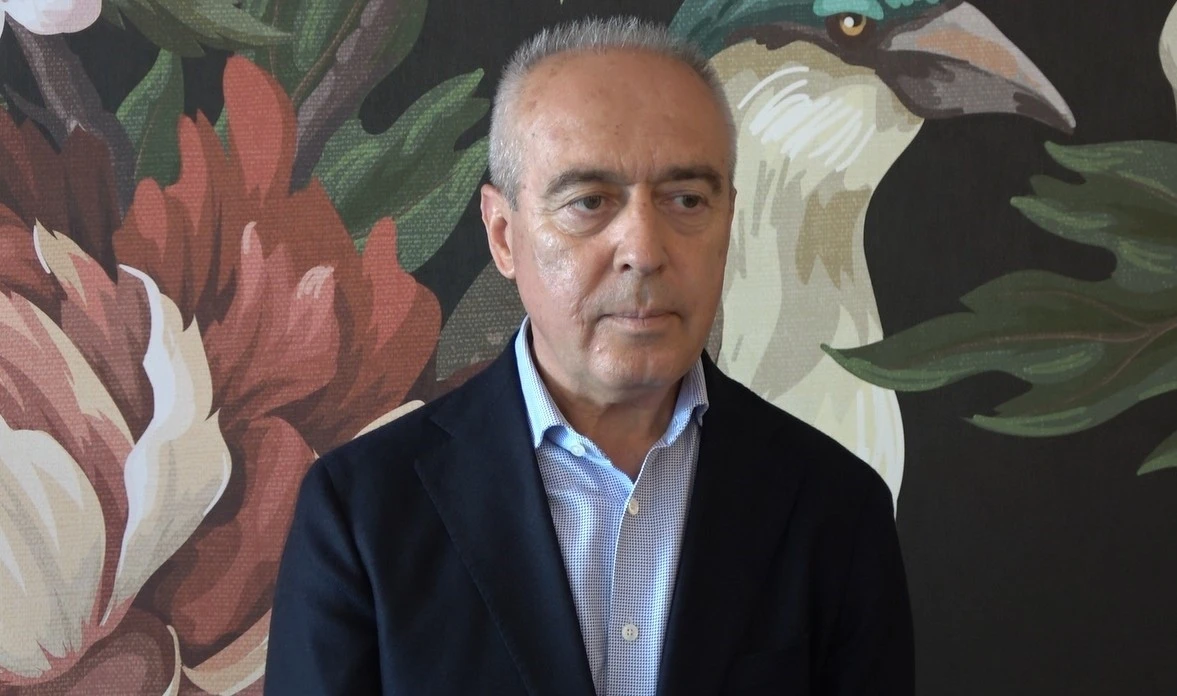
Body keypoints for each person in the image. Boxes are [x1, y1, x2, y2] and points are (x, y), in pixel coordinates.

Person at [265, 16, 913, 696]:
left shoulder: (835, 509)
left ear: (729, 220)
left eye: (686, 199)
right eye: (589, 202)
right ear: (503, 234)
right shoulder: (362, 514)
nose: (644, 250)